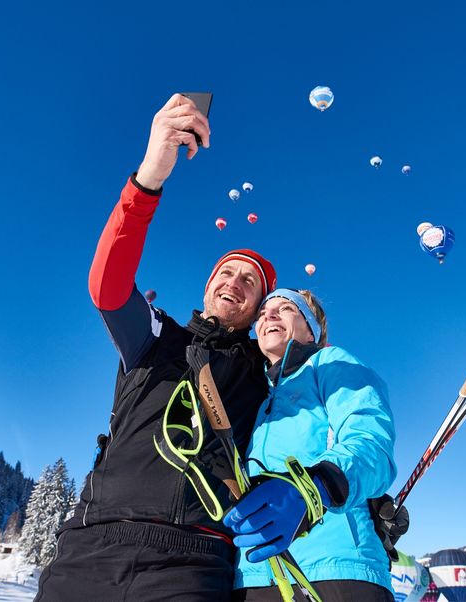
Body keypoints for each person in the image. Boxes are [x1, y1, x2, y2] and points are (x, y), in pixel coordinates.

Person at [34, 94, 277, 602]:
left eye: (249, 282)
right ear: (208, 285)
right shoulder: (158, 333)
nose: (234, 281)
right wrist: (149, 178)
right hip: (92, 546)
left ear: (259, 308)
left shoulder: (265, 371)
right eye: (226, 272)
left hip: (194, 560)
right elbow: (107, 288)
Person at [223, 289, 398, 601]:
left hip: (336, 568)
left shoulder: (329, 364)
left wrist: (314, 489)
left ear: (311, 331)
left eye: (286, 308)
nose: (269, 315)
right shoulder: (257, 396)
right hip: (255, 574)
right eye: (262, 313)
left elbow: (372, 445)